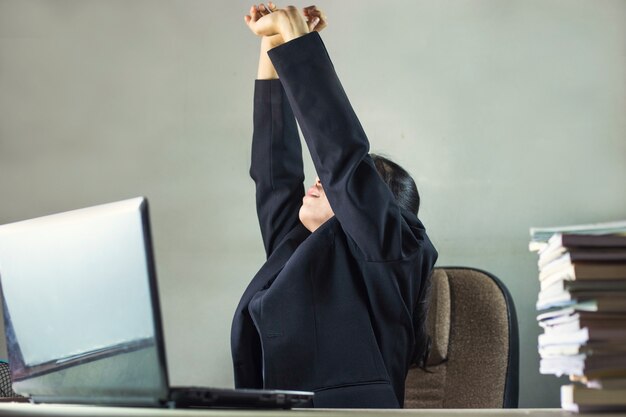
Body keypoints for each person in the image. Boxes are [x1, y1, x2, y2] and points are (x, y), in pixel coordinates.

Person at [231, 3, 438, 408]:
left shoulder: (391, 250)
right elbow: (273, 175)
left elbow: (342, 160)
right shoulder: (294, 251)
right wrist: (272, 44)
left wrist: (299, 42)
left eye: (344, 187)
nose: (320, 180)